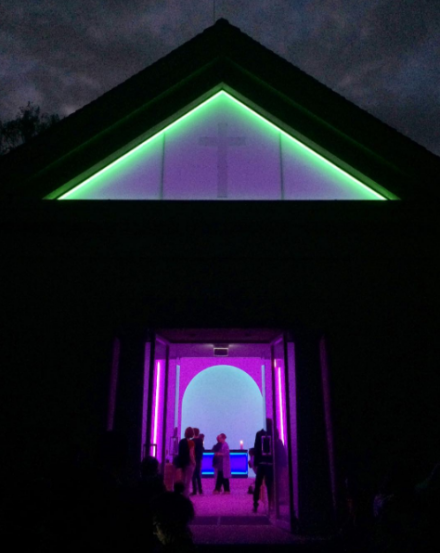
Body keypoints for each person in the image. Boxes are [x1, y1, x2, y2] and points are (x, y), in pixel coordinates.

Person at [252, 419, 273, 512]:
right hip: (268, 463)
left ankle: (256, 504)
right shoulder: (273, 432)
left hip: (262, 463)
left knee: (259, 484)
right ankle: (270, 504)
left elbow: (256, 448)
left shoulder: (259, 434)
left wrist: (256, 463)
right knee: (268, 484)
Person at [175, 427, 196, 498]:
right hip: (188, 463)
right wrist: (194, 463)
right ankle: (186, 496)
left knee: (183, 480)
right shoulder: (191, 442)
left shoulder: (181, 441)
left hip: (182, 463)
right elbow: (191, 454)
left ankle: (181, 496)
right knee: (188, 481)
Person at [191, 429, 205, 496]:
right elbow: (202, 449)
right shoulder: (200, 440)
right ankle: (200, 489)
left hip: (193, 459)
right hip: (199, 459)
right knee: (198, 474)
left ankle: (194, 490)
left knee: (193, 475)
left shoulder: (192, 441)